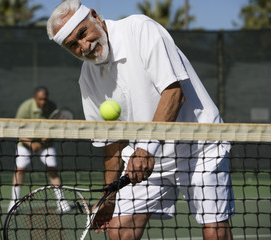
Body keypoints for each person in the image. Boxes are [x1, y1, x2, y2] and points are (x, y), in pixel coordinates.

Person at [46, 1, 234, 240]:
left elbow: (174, 93)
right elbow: (111, 143)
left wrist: (146, 149)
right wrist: (109, 196)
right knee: (119, 230)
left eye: (83, 33)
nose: (84, 46)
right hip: (144, 157)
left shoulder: (140, 29)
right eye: (73, 45)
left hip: (200, 148)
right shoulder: (88, 78)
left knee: (215, 232)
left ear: (94, 16)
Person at [8, 86, 70, 213]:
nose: (43, 102)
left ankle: (61, 201)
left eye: (45, 99)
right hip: (25, 144)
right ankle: (14, 202)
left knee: (52, 169)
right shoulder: (25, 107)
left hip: (45, 145)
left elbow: (54, 127)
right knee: (19, 170)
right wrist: (31, 144)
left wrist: (43, 140)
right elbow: (17, 129)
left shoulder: (52, 106)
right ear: (35, 98)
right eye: (40, 99)